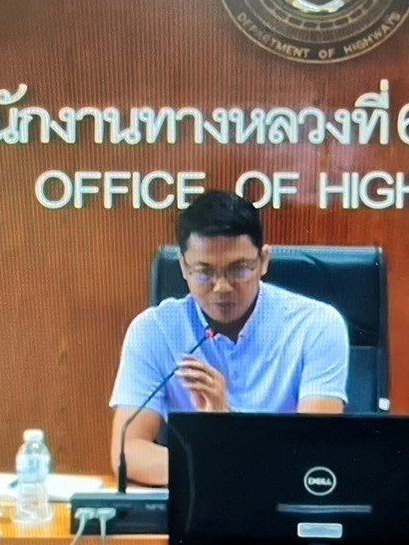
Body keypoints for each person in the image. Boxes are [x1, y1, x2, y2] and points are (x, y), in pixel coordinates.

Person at [109, 191, 349, 486]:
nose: (221, 287)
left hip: (282, 505)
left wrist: (227, 426)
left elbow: (313, 454)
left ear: (263, 260)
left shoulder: (315, 326)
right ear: (184, 267)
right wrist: (227, 460)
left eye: (238, 269)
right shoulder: (155, 330)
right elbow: (128, 452)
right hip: (198, 504)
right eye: (204, 272)